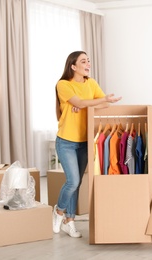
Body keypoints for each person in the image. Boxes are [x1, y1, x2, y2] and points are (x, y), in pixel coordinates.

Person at [53, 51, 122, 238]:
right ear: (73, 66)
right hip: (66, 141)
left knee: (77, 183)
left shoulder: (91, 83)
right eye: (83, 61)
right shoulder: (63, 84)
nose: (88, 63)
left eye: (88, 60)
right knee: (72, 181)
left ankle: (70, 221)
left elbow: (102, 105)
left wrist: (87, 104)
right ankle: (59, 211)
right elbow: (85, 102)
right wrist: (88, 103)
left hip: (84, 142)